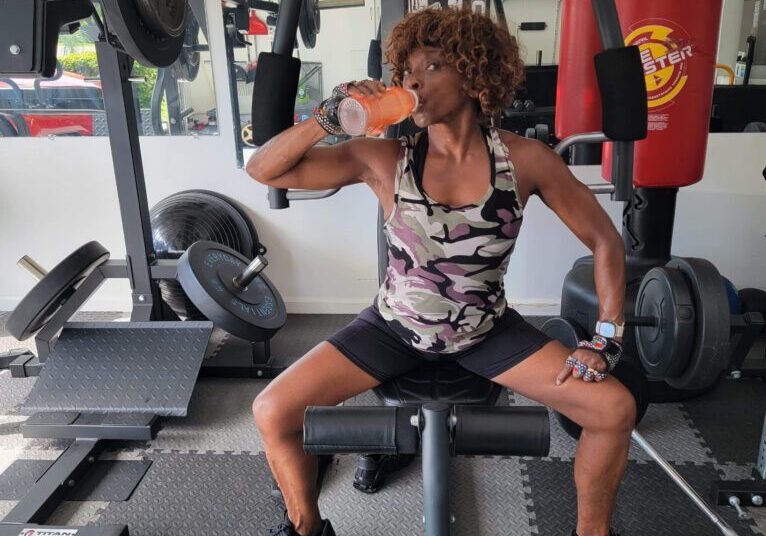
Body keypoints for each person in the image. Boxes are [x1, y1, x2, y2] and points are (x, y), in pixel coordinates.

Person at [247, 7, 634, 536]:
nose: (412, 82)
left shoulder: (526, 161)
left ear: (474, 73)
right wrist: (327, 118)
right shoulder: (382, 158)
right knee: (272, 410)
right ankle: (307, 528)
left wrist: (606, 336)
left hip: (485, 332)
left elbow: (604, 239)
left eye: (430, 67)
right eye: (406, 71)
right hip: (393, 328)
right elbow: (263, 169)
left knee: (613, 409)